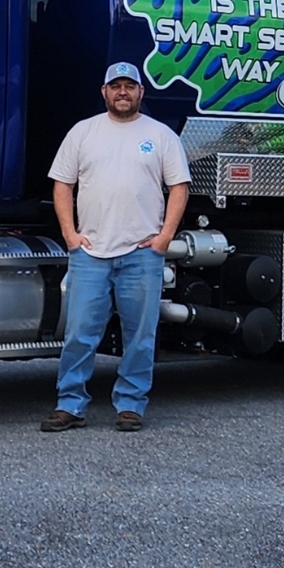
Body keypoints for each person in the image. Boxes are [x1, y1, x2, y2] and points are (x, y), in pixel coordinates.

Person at [41, 61, 191, 433]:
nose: (122, 92)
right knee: (79, 334)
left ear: (141, 92)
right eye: (115, 86)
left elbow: (179, 188)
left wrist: (164, 238)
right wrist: (70, 235)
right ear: (104, 91)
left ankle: (131, 404)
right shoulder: (83, 132)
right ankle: (70, 404)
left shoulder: (160, 136)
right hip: (90, 253)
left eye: (129, 86)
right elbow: (62, 184)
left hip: (142, 254)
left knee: (139, 337)